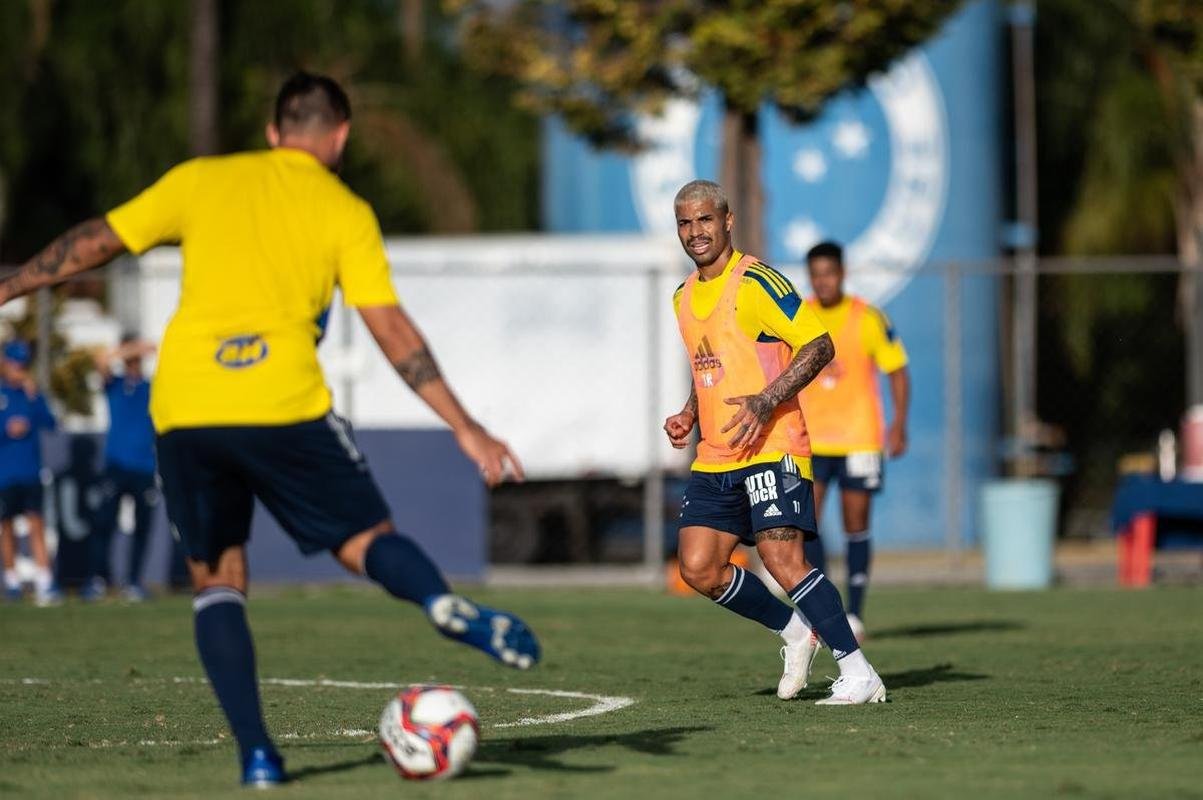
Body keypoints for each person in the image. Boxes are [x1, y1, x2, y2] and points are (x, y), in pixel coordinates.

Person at [0, 72, 539, 787]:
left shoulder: (200, 180)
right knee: (365, 543)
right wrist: (466, 427)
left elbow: (98, 241)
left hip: (188, 408)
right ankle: (437, 600)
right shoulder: (345, 209)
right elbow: (391, 330)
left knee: (217, 581)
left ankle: (258, 755)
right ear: (339, 137)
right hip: (283, 402)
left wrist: (7, 288)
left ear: (273, 130)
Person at [664, 180, 886, 705]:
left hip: (774, 445)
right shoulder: (683, 296)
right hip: (717, 454)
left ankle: (858, 672)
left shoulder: (757, 281)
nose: (695, 232)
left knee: (782, 558)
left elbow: (819, 344)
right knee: (698, 568)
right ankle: (792, 632)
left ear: (727, 220)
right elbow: (708, 366)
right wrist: (689, 413)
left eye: (704, 220)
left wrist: (766, 400)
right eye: (685, 223)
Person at [800, 241, 910, 643]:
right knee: (805, 523)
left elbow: (897, 369)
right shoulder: (801, 315)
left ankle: (855, 612)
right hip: (810, 440)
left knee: (855, 524)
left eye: (829, 273)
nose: (823, 281)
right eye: (816, 274)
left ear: (842, 273)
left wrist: (898, 424)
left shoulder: (867, 317)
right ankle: (820, 606)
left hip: (860, 438)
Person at [81, 335, 160, 602]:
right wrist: (133, 347)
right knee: (104, 523)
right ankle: (97, 578)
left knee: (143, 528)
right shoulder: (114, 384)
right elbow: (100, 361)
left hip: (144, 467)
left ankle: (134, 581)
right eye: (132, 356)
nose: (135, 360)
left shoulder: (151, 387)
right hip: (116, 466)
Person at [0, 339, 61, 606]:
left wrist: (35, 396)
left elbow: (51, 422)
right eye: (15, 363)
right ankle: (11, 580)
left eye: (23, 364)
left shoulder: (31, 394)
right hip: (5, 473)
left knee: (37, 523)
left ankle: (44, 582)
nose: (19, 369)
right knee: (7, 526)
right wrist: (6, 429)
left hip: (31, 472)